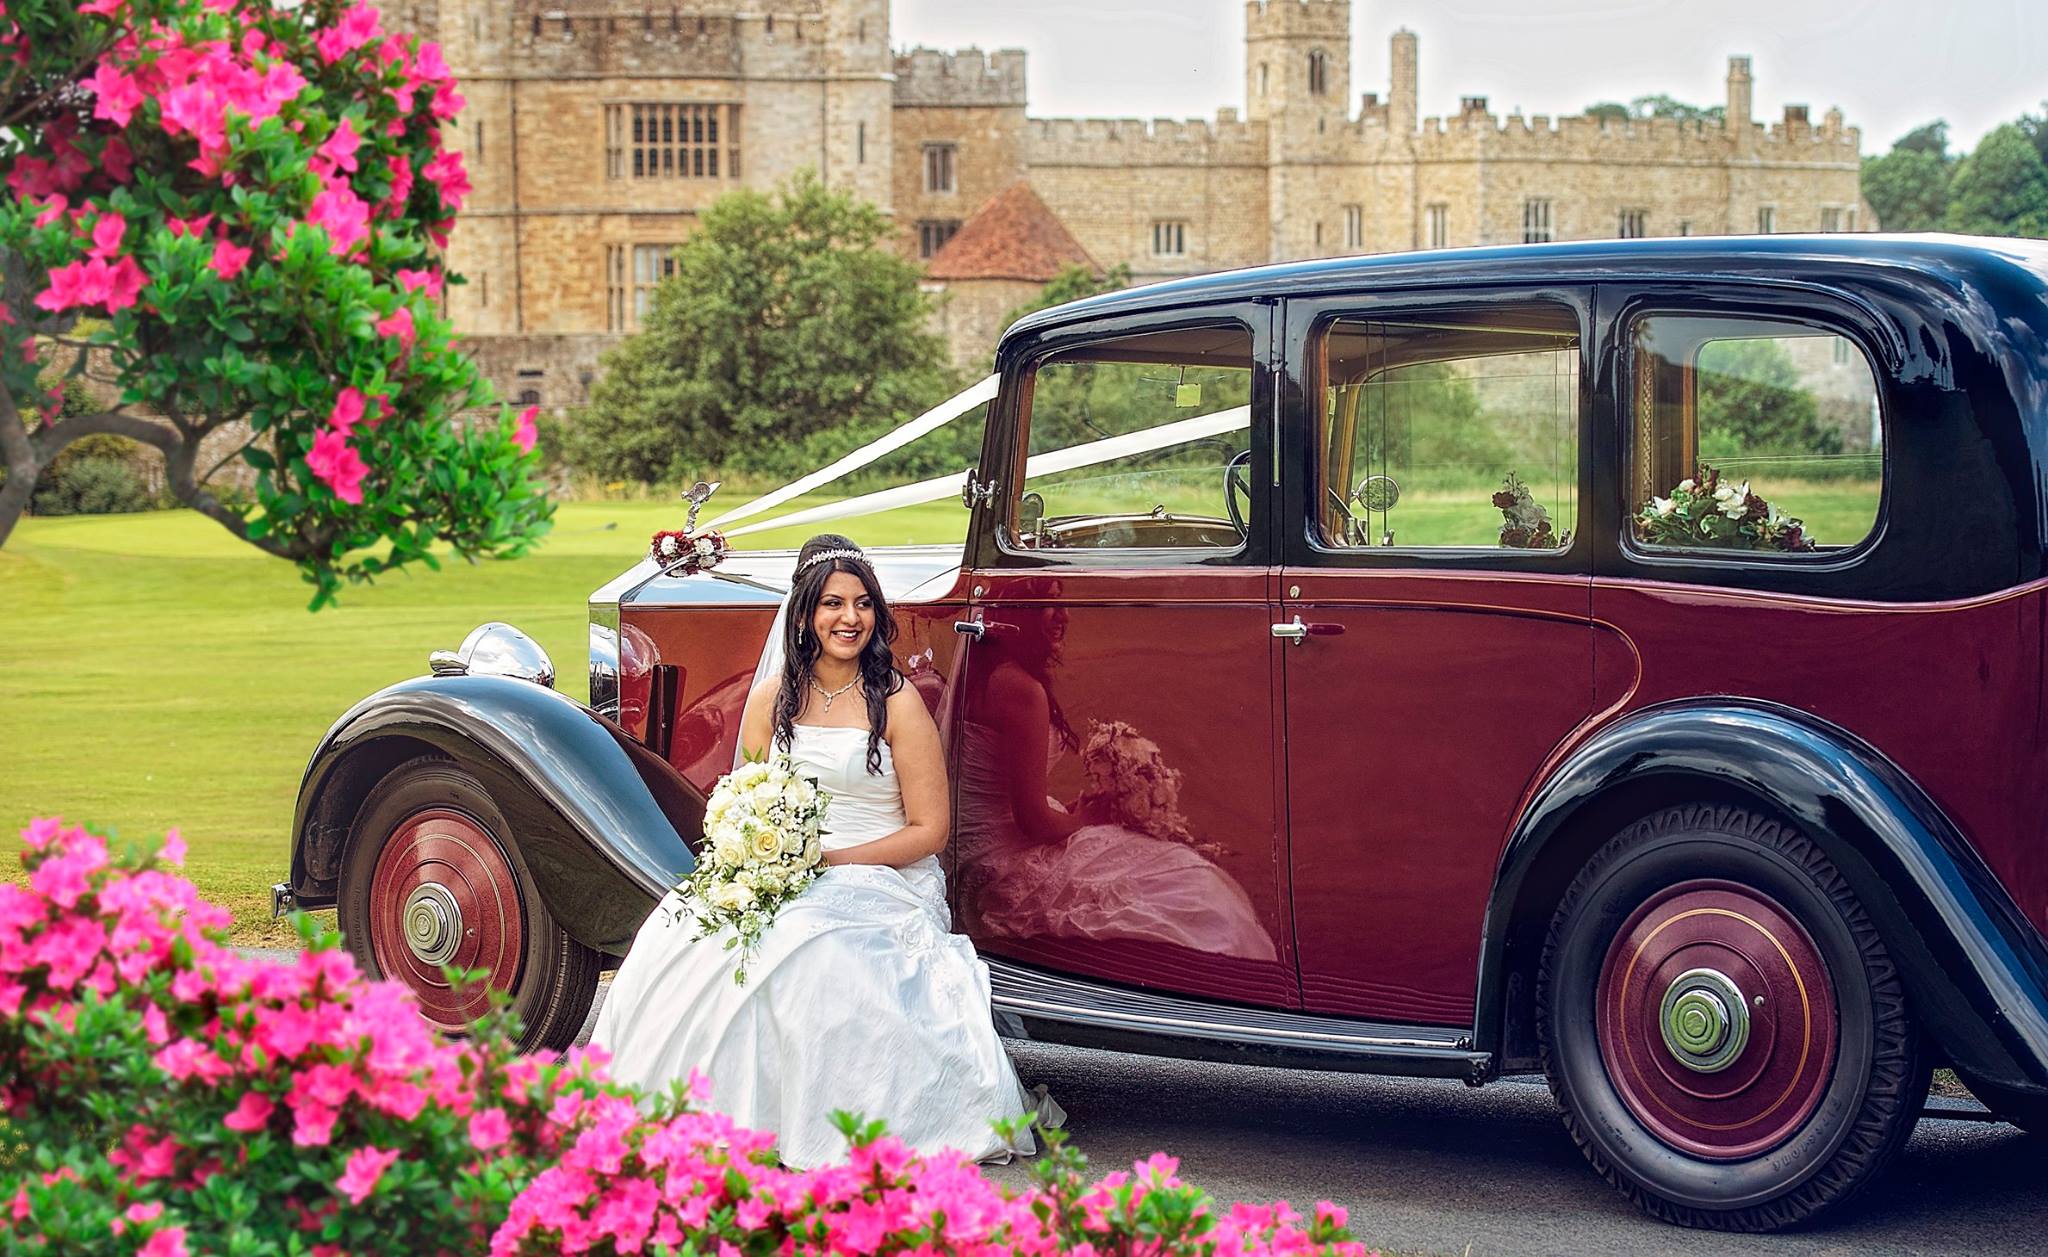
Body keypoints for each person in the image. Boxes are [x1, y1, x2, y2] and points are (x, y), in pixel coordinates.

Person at [591, 534, 1057, 1169]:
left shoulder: (896, 702)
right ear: (805, 612)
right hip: (783, 870)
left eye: (864, 604)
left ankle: (822, 1126)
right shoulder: (772, 697)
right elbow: (745, 797)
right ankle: (711, 1117)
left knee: (810, 948)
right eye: (834, 603)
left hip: (879, 873)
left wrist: (834, 862)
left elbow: (930, 830)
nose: (850, 618)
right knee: (684, 931)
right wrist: (753, 857)